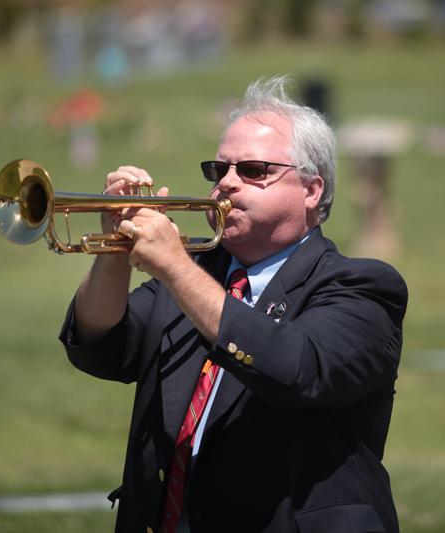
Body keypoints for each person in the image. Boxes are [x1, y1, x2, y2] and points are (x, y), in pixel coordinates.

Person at [59, 76, 408, 533]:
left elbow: (295, 368)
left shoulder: (361, 287)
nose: (226, 184)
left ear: (312, 190)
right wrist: (115, 254)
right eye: (218, 169)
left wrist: (175, 267)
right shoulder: (195, 276)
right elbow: (100, 345)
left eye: (253, 171)